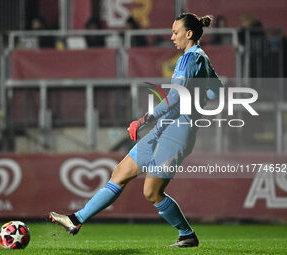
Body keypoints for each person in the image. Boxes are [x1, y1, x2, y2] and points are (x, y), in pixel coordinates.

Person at [49, 13, 223, 248]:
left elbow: (174, 97)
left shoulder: (189, 59)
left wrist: (143, 120)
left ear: (189, 34)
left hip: (178, 132)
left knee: (152, 192)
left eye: (175, 32)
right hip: (166, 128)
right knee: (120, 173)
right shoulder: (201, 58)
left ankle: (187, 235)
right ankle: (76, 220)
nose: (172, 37)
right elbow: (216, 93)